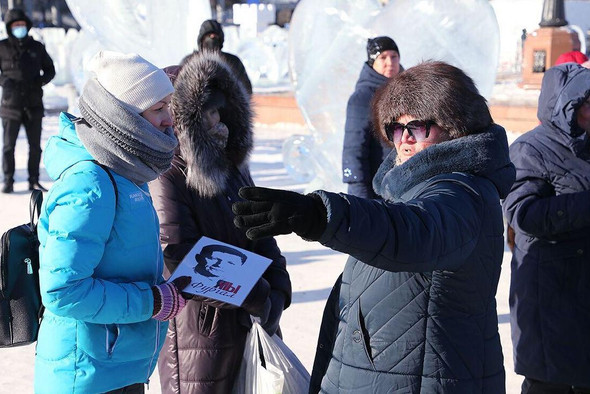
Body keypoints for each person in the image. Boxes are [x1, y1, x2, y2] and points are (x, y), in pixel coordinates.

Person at [234, 61, 514, 393]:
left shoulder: (460, 192)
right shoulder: (410, 189)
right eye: (395, 128)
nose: (404, 140)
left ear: (455, 127)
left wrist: (319, 215)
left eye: (418, 127)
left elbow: (416, 232)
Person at [35, 51, 191, 394]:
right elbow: (63, 292)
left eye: (169, 106)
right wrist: (151, 301)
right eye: (158, 108)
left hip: (115, 367)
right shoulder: (90, 183)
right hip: (87, 376)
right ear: (124, 116)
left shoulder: (126, 173)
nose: (170, 120)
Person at [150, 51, 291, 394]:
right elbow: (180, 256)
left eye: (218, 109)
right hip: (200, 333)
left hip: (251, 321)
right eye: (206, 113)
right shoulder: (168, 173)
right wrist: (259, 296)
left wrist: (278, 283)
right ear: (183, 120)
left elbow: (260, 233)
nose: (217, 121)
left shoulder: (232, 162)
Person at [503, 63, 590, 394]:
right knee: (550, 381)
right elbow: (522, 214)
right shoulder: (530, 149)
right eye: (588, 103)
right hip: (549, 297)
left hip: (583, 294)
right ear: (568, 106)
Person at [0, 8, 55, 193]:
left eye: (22, 25)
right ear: (9, 28)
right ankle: (8, 180)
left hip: (33, 105)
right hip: (10, 105)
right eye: (16, 25)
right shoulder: (2, 47)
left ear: (27, 26)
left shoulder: (37, 47)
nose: (20, 28)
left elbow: (50, 70)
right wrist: (5, 82)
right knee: (8, 147)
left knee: (35, 147)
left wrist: (41, 81)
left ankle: (34, 180)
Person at [342, 36, 402, 198]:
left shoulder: (408, 90)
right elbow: (354, 149)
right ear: (372, 62)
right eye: (382, 57)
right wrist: (359, 194)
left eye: (394, 56)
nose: (390, 62)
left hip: (403, 183)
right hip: (377, 189)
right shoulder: (362, 97)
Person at [190, 18, 252, 94]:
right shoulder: (189, 62)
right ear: (201, 39)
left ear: (221, 40)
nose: (212, 38)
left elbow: (246, 89)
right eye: (208, 35)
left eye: (215, 36)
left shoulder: (233, 62)